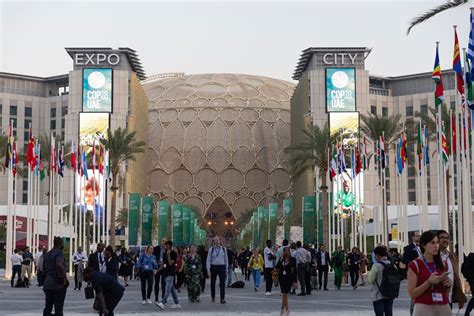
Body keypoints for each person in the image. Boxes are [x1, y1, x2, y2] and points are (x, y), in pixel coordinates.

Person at [407, 231, 451, 316]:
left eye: (437, 242)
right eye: (432, 243)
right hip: (424, 307)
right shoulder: (415, 265)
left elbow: (445, 292)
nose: (436, 246)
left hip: (443, 306)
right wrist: (429, 282)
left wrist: (448, 285)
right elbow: (412, 294)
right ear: (423, 245)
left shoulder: (443, 263)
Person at [436, 230, 466, 310]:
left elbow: (456, 277)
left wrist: (460, 297)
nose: (445, 240)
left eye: (447, 238)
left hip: (448, 297)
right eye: (442, 237)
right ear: (437, 240)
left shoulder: (451, 256)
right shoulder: (432, 256)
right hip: (435, 299)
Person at [43, 237, 69, 316]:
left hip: (48, 283)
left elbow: (44, 268)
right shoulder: (59, 253)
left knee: (48, 307)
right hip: (57, 283)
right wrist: (64, 278)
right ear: (61, 244)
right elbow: (59, 265)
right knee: (58, 308)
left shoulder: (47, 254)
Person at [368, 245, 394, 316]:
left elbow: (370, 280)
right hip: (390, 294)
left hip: (378, 294)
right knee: (389, 313)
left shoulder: (376, 265)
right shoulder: (392, 264)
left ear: (378, 255)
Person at [156, 240, 181, 310]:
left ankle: (163, 303)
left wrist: (168, 255)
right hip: (165, 273)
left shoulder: (173, 253)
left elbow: (170, 263)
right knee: (172, 289)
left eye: (167, 245)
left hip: (171, 273)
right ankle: (177, 303)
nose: (165, 246)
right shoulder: (164, 253)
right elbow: (163, 264)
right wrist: (157, 271)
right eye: (165, 245)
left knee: (167, 289)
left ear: (170, 246)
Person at [206, 236, 229, 304]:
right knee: (212, 283)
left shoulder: (224, 249)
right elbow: (208, 260)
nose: (216, 241)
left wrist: (226, 270)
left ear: (220, 241)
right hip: (213, 267)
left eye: (217, 240)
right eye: (215, 240)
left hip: (222, 267)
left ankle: (222, 298)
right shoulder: (211, 249)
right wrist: (208, 270)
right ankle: (213, 297)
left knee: (222, 283)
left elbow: (226, 260)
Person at [275, 246, 297, 316]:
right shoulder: (282, 258)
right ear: (283, 252)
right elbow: (277, 267)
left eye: (288, 251)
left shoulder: (293, 259)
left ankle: (283, 308)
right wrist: (280, 260)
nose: (287, 252)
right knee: (284, 294)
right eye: (285, 251)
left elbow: (295, 271)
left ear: (289, 252)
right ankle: (286, 309)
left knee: (285, 294)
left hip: (289, 278)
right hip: (282, 278)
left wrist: (295, 281)